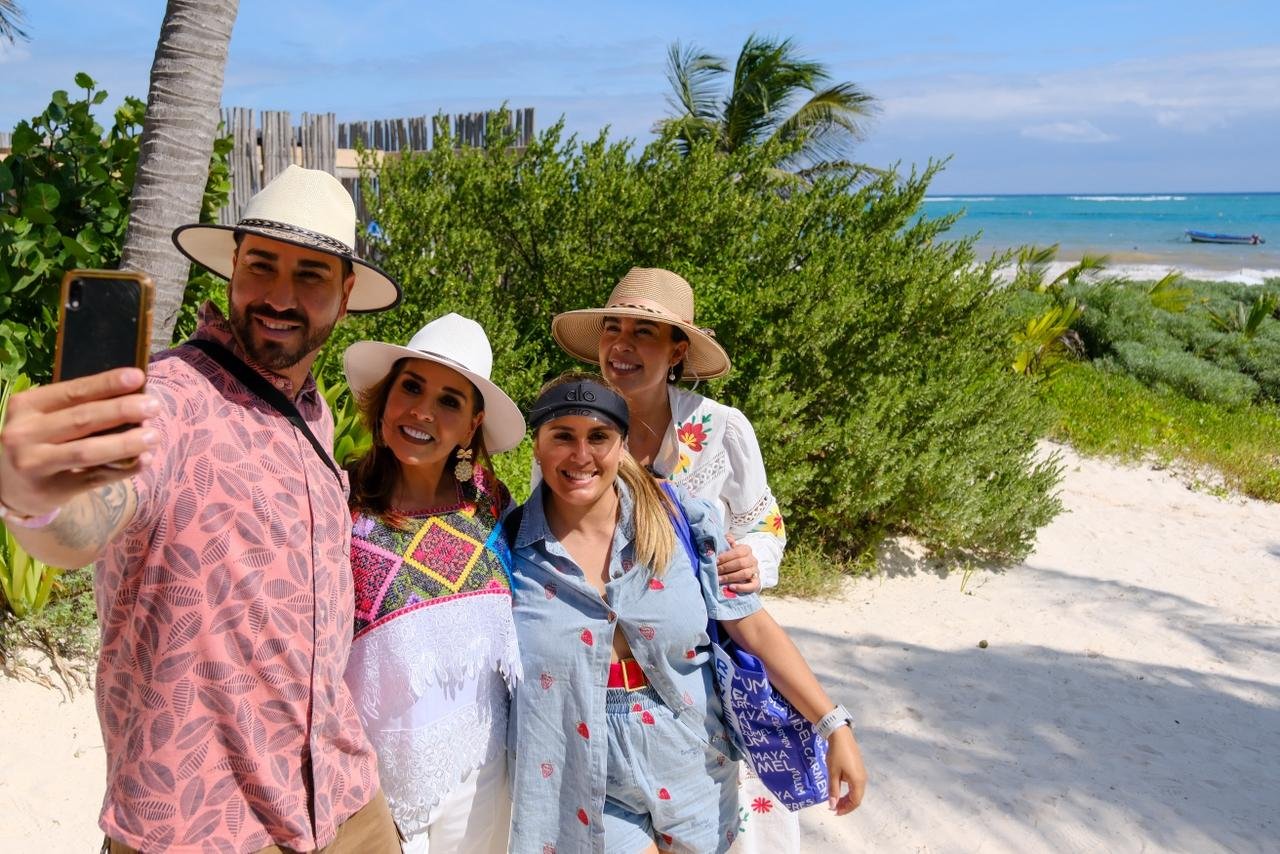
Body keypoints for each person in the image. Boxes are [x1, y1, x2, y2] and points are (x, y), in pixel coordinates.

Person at [0, 165, 403, 853]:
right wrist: (34, 499)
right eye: (261, 266)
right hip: (201, 825)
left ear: (345, 292)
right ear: (233, 269)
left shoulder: (314, 413)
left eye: (309, 275)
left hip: (346, 804)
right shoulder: (170, 399)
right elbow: (84, 521)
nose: (278, 296)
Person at [506, 373, 867, 854]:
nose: (580, 455)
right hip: (577, 767)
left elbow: (752, 626)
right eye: (562, 436)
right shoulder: (509, 550)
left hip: (693, 754)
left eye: (598, 436)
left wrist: (833, 725)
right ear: (536, 446)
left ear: (622, 444)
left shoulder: (680, 520)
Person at [551, 266, 795, 847]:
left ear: (677, 349)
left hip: (704, 666)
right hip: (611, 679)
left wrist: (754, 558)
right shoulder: (579, 427)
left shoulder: (719, 430)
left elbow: (764, 520)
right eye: (613, 329)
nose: (622, 345)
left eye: (644, 332)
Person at [340, 314, 525, 853]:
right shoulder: (339, 502)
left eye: (449, 401)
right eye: (411, 387)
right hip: (375, 782)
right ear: (386, 398)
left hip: (483, 775)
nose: (422, 411)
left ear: (471, 425)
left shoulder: (491, 504)